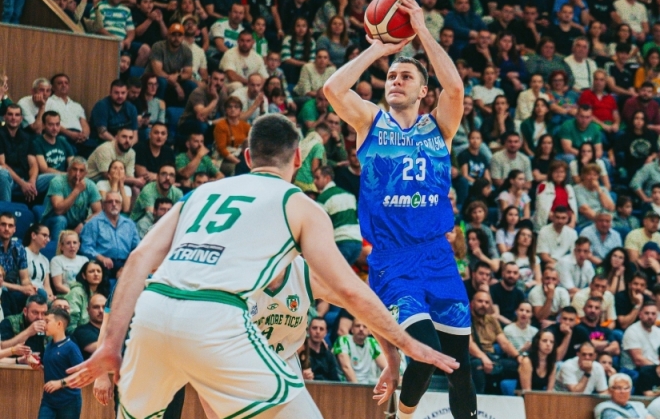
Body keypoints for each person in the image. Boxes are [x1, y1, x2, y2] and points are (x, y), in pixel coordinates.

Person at [69, 114, 460, 418]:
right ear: (298, 158)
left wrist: (110, 344)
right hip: (216, 318)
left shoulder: (202, 192)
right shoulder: (299, 203)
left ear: (247, 158)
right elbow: (348, 288)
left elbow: (138, 259)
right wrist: (408, 344)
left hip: (153, 313)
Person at [322, 0, 477, 416]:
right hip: (392, 260)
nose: (395, 80)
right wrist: (379, 48)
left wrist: (422, 31)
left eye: (406, 76)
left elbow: (455, 88)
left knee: (459, 367)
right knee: (423, 355)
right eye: (391, 76)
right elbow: (332, 89)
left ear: (423, 90)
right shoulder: (369, 121)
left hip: (438, 256)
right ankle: (403, 415)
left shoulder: (439, 127)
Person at [79, 192, 140, 281]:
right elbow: (85, 247)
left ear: (121, 205)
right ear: (103, 205)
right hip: (102, 265)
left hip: (125, 264)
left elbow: (137, 247)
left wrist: (128, 264)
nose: (114, 204)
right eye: (110, 202)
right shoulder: (93, 223)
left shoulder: (129, 224)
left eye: (117, 202)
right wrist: (102, 258)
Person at [38, 308, 83, 419]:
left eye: (47, 321)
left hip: (69, 402)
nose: (44, 325)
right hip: (49, 400)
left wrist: (60, 383)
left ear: (59, 324)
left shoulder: (71, 348)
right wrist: (39, 366)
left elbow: (81, 373)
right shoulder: (49, 346)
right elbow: (55, 370)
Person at [312, 166, 362, 265]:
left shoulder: (323, 198)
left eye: (317, 178)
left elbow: (317, 225)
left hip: (341, 242)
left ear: (327, 178)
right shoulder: (349, 195)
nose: (314, 181)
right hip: (357, 243)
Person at [332, 317, 387, 384]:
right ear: (352, 329)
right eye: (357, 326)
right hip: (346, 384)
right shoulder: (343, 340)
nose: (361, 329)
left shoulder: (372, 342)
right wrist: (358, 388)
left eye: (365, 326)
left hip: (366, 383)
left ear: (370, 331)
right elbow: (346, 367)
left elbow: (385, 367)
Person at [620, 301, 660, 371]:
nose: (650, 317)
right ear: (640, 315)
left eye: (653, 314)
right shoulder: (632, 331)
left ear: (656, 316)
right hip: (635, 370)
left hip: (656, 367)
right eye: (647, 313)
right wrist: (659, 369)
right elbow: (638, 360)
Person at [64, 261, 110, 328]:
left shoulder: (105, 293)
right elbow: (71, 322)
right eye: (91, 271)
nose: (96, 274)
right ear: (84, 275)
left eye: (99, 271)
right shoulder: (76, 293)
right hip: (80, 331)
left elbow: (109, 312)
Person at [49, 231, 89, 296]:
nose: (72, 246)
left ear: (78, 245)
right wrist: (75, 294)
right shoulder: (56, 260)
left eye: (74, 243)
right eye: (68, 243)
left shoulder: (84, 260)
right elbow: (58, 286)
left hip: (84, 294)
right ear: (61, 246)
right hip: (66, 295)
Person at [71, 294, 106, 360]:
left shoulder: (113, 330)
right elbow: (102, 350)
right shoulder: (81, 332)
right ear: (88, 310)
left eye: (104, 307)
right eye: (96, 307)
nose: (101, 311)